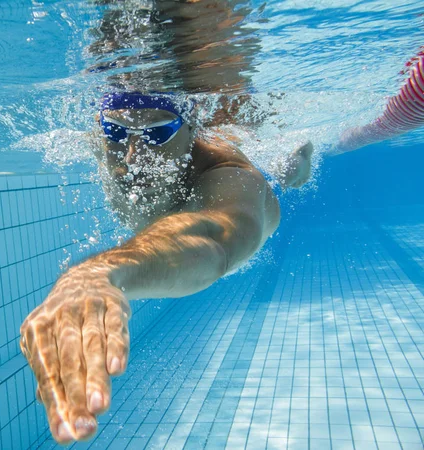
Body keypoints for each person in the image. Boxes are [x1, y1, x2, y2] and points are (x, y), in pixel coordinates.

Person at [20, 91, 313, 444]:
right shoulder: (105, 144)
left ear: (192, 128)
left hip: (249, 204)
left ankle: (297, 155)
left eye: (157, 133)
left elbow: (215, 239)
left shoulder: (229, 173)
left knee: (288, 173)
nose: (132, 154)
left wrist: (96, 273)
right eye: (115, 132)